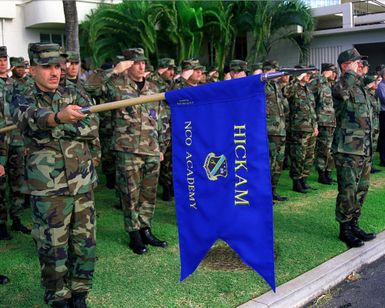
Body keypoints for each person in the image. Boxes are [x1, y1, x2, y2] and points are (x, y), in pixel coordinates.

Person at [11, 42, 99, 307]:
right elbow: (26, 117)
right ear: (32, 68)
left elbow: (92, 126)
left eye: (57, 66)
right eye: (46, 67)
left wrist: (54, 127)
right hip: (47, 186)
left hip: (81, 180)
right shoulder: (21, 92)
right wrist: (58, 118)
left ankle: (80, 290)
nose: (54, 72)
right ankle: (57, 294)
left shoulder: (73, 90)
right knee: (52, 245)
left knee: (84, 240)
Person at [104, 48, 170, 255]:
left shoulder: (153, 88)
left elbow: (162, 120)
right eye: (136, 62)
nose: (142, 66)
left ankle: (146, 229)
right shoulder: (116, 86)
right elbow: (91, 88)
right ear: (128, 64)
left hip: (151, 149)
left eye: (143, 63)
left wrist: (162, 147)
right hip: (128, 149)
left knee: (148, 194)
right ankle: (134, 234)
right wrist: (114, 71)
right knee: (130, 194)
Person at [332, 48, 376, 248]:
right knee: (348, 190)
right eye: (356, 62)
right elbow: (341, 93)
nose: (360, 65)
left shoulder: (360, 88)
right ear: (345, 65)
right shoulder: (342, 85)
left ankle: (354, 223)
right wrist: (349, 73)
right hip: (348, 149)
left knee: (361, 189)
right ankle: (345, 229)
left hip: (364, 149)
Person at [287, 66, 318, 193]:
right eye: (306, 74)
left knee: (309, 156)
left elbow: (312, 110)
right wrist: (297, 79)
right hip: (298, 129)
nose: (308, 76)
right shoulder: (294, 88)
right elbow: (286, 93)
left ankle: (304, 180)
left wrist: (315, 126)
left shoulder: (308, 90)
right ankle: (296, 182)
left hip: (310, 128)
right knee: (298, 156)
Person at [263, 60, 289, 202]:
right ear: (268, 71)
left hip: (280, 129)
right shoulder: (263, 85)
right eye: (275, 70)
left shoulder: (276, 86)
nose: (278, 73)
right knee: (269, 163)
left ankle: (273, 191)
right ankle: (266, 194)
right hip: (269, 130)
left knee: (278, 163)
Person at [153, 58, 176, 201]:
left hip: (174, 126)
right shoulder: (154, 82)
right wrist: (158, 73)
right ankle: (165, 187)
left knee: (171, 160)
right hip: (159, 126)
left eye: (173, 69)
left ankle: (171, 186)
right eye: (169, 69)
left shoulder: (173, 84)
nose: (172, 72)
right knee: (164, 160)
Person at [314, 63, 337, 185]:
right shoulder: (319, 83)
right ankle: (321, 174)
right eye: (332, 72)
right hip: (322, 122)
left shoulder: (330, 85)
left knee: (331, 150)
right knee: (323, 150)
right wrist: (322, 76)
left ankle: (328, 173)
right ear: (326, 72)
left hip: (331, 122)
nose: (334, 74)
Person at [0, 46, 14, 240]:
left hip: (17, 140)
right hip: (1, 141)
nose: (2, 62)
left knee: (19, 183)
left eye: (4, 59)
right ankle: (1, 223)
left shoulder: (15, 84)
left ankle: (17, 219)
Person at [375, 68, 385, 167]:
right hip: (383, 113)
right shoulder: (381, 86)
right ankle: (383, 160)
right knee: (384, 137)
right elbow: (383, 98)